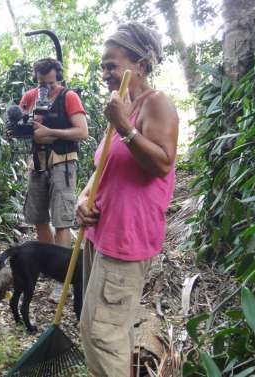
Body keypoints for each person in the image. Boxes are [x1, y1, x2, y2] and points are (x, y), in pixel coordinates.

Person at [76, 22, 178, 376]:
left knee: (101, 334)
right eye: (103, 66)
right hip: (100, 234)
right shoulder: (122, 106)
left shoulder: (156, 105)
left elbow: (162, 165)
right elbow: (105, 166)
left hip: (126, 239)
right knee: (97, 328)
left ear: (143, 66)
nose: (105, 73)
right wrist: (84, 196)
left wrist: (125, 126)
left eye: (112, 65)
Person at [19, 58, 88, 301]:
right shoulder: (29, 96)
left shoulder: (69, 97)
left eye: (49, 82)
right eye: (41, 83)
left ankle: (63, 278)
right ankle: (48, 265)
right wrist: (18, 128)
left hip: (63, 163)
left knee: (62, 220)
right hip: (37, 163)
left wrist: (51, 133)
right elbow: (22, 126)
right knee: (38, 217)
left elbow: (82, 131)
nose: (45, 87)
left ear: (57, 77)